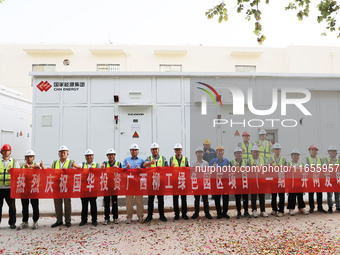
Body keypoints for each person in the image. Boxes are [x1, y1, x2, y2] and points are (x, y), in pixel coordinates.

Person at [41, 145, 81, 228]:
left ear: (67, 153)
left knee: (67, 204)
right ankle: (59, 220)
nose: (62, 154)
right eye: (61, 153)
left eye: (64, 152)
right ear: (58, 154)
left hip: (67, 187)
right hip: (57, 187)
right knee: (57, 204)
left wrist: (76, 166)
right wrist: (43, 167)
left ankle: (67, 220)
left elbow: (79, 170)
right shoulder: (55, 163)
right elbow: (50, 171)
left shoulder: (71, 162)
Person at [143, 143, 168, 223]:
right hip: (151, 182)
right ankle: (149, 216)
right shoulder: (149, 158)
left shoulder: (163, 158)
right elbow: (144, 165)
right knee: (150, 200)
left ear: (158, 150)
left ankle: (162, 215)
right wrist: (151, 163)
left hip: (160, 181)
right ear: (151, 151)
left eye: (156, 149)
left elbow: (167, 168)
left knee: (161, 199)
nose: (154, 151)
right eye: (153, 149)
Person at [17, 150, 40, 230]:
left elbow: (38, 167)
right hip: (25, 189)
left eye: (31, 157)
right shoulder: (22, 166)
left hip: (33, 189)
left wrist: (30, 167)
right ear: (25, 158)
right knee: (24, 206)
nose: (29, 158)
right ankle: (25, 221)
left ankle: (35, 221)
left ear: (33, 158)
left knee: (35, 206)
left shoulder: (35, 165)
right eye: (27, 157)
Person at [123, 143, 145, 224]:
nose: (134, 151)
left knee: (139, 201)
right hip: (129, 185)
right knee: (129, 202)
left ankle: (140, 216)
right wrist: (127, 167)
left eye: (135, 150)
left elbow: (145, 170)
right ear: (130, 151)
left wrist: (141, 169)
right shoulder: (126, 160)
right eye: (132, 150)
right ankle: (129, 217)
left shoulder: (141, 160)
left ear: (138, 151)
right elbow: (122, 169)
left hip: (138, 184)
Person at [0, 144, 19, 229]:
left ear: (10, 152)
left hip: (10, 188)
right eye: (4, 151)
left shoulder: (14, 162)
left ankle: (12, 223)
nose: (6, 152)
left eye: (7, 150)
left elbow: (18, 174)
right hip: (0, 188)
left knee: (12, 207)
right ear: (1, 152)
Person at [79, 149, 99, 226]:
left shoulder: (97, 165)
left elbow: (102, 170)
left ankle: (94, 220)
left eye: (90, 155)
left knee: (93, 204)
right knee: (84, 205)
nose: (89, 157)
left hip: (93, 188)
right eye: (87, 156)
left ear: (93, 156)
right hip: (84, 189)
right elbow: (77, 167)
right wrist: (74, 165)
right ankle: (84, 220)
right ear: (85, 157)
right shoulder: (82, 164)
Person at [101, 148, 121, 225]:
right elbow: (101, 167)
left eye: (112, 155)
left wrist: (118, 168)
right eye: (109, 155)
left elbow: (123, 172)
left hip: (115, 186)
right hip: (106, 186)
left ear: (114, 155)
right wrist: (102, 166)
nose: (111, 156)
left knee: (115, 202)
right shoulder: (105, 163)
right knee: (106, 203)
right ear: (107, 156)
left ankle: (115, 218)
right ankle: (106, 218)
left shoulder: (118, 164)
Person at [191, 147, 212, 220]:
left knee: (205, 199)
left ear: (203, 154)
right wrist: (195, 168)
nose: (199, 154)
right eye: (198, 153)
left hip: (204, 183)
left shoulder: (206, 163)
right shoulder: (193, 163)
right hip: (196, 184)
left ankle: (207, 213)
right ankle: (196, 213)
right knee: (196, 199)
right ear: (196, 154)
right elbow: (191, 174)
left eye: (201, 152)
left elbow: (208, 173)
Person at [305, 145, 327, 214]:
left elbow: (323, 167)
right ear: (310, 151)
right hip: (311, 179)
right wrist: (311, 167)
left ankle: (320, 207)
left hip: (318, 178)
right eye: (312, 150)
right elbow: (305, 167)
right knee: (311, 193)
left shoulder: (320, 159)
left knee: (319, 193)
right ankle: (312, 207)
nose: (313, 151)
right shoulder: (307, 159)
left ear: (317, 151)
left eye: (314, 150)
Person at [248, 146, 268, 218]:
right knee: (253, 196)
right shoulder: (249, 160)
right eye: (254, 152)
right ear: (251, 153)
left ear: (259, 153)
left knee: (262, 196)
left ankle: (263, 210)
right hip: (253, 180)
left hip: (261, 180)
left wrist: (267, 166)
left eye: (257, 152)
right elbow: (245, 170)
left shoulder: (263, 159)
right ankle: (254, 210)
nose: (256, 153)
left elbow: (267, 168)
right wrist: (250, 167)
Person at [287, 149, 309, 216]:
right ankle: (291, 209)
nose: (295, 156)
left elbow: (305, 172)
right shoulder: (288, 163)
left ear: (299, 156)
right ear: (291, 156)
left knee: (300, 195)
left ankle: (301, 207)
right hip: (292, 182)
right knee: (291, 196)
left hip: (299, 182)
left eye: (297, 155)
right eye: (294, 155)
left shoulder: (301, 164)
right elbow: (286, 172)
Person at [170, 143, 189, 220]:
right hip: (175, 181)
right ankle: (177, 214)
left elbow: (188, 169)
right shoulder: (172, 159)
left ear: (181, 150)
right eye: (177, 150)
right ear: (175, 151)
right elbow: (168, 170)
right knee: (175, 198)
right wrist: (171, 166)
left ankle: (184, 214)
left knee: (184, 198)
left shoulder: (185, 158)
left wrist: (186, 168)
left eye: (179, 150)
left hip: (183, 180)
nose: (178, 151)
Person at [211, 145, 230, 219]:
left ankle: (224, 212)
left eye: (221, 151)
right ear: (216, 152)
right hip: (217, 182)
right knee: (217, 198)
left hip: (225, 182)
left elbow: (229, 171)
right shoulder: (213, 161)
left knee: (226, 198)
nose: (220, 152)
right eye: (218, 151)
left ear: (223, 152)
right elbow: (210, 172)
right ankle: (219, 213)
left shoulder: (227, 161)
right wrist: (213, 168)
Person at [230, 147, 250, 219]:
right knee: (238, 198)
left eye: (239, 153)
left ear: (241, 154)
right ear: (234, 154)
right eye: (237, 153)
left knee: (245, 198)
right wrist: (234, 167)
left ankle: (246, 211)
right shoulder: (232, 162)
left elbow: (249, 171)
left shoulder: (246, 162)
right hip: (237, 183)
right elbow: (229, 173)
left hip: (244, 182)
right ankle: (239, 212)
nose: (238, 154)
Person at [269, 143, 287, 217]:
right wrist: (270, 164)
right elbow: (267, 169)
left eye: (278, 149)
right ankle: (274, 209)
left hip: (281, 179)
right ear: (273, 150)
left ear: (280, 150)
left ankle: (281, 210)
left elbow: (287, 169)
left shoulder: (283, 159)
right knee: (273, 195)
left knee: (281, 195)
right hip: (273, 179)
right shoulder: (270, 159)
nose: (277, 151)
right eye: (275, 149)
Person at [324, 145, 340, 213]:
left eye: (334, 151)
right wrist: (328, 163)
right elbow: (323, 169)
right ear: (329, 152)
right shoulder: (326, 160)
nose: (332, 152)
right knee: (329, 194)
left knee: (338, 194)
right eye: (331, 151)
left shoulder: (338, 160)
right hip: (329, 179)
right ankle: (330, 207)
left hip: (337, 179)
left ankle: (338, 206)